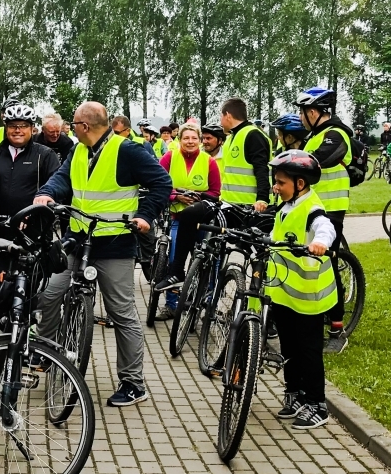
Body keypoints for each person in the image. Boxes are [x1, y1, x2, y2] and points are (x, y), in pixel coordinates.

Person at [34, 100, 170, 407]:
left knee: (121, 312)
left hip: (114, 243)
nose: (70, 128)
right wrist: (46, 193)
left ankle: (134, 382)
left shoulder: (127, 151)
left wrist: (146, 216)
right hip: (78, 238)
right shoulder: (78, 150)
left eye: (74, 123)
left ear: (85, 126)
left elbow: (162, 183)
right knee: (51, 292)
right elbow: (63, 178)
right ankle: (44, 353)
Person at [266, 150, 338, 430]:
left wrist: (321, 242)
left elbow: (325, 227)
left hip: (309, 297)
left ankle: (317, 403)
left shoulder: (312, 209)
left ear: (300, 183)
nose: (276, 186)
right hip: (285, 293)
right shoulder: (286, 206)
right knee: (289, 347)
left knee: (309, 350)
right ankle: (294, 393)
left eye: (281, 182)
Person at [296, 87, 355, 349]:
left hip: (331, 208)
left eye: (302, 112)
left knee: (327, 265)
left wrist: (297, 162)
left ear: (312, 112)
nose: (300, 118)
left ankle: (337, 329)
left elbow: (324, 159)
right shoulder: (314, 136)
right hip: (311, 207)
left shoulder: (336, 133)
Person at [157, 122, 221, 287]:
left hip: (202, 221)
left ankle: (206, 298)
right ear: (179, 140)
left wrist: (199, 198)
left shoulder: (209, 162)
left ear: (199, 140)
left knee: (207, 260)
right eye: (186, 138)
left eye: (194, 138)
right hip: (177, 217)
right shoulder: (169, 157)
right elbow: (158, 184)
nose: (190, 141)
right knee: (173, 258)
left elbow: (215, 192)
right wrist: (175, 197)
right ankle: (171, 305)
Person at [218, 98, 272, 212]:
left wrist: (262, 199)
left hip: (251, 207)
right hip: (230, 204)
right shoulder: (231, 137)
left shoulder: (253, 135)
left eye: (221, 117)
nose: (220, 122)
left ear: (227, 115)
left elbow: (261, 168)